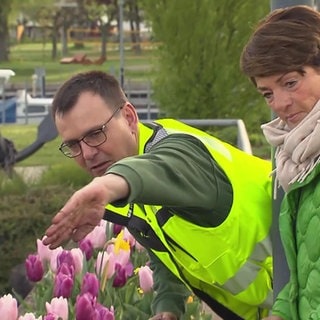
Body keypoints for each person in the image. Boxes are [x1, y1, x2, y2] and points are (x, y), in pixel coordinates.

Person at [43, 70, 273, 320]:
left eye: (96, 134)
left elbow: (165, 166)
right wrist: (168, 304)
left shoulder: (180, 152)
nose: (87, 154)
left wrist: (107, 186)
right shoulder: (132, 173)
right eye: (74, 145)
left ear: (129, 118)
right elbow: (163, 244)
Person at [240, 5, 320, 320]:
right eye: (267, 93)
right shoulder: (294, 158)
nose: (281, 105)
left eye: (290, 83)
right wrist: (282, 310)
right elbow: (308, 265)